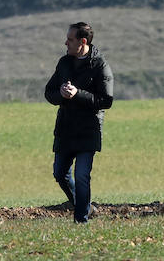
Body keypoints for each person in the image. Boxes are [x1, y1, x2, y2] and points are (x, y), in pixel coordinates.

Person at [44, 21, 114, 222]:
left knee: (82, 175)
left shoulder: (100, 66)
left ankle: (81, 219)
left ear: (82, 42)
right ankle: (85, 207)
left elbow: (106, 101)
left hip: (88, 130)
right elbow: (49, 92)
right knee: (60, 173)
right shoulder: (64, 63)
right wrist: (61, 95)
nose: (65, 43)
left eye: (70, 39)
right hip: (65, 128)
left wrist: (77, 95)